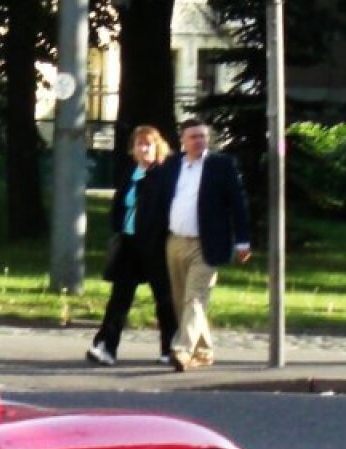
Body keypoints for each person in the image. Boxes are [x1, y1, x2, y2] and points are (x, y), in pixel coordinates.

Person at [160, 117, 252, 372]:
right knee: (182, 300)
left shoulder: (221, 165)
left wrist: (243, 241)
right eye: (193, 137)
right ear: (183, 141)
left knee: (195, 299)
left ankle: (182, 349)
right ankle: (203, 351)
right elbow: (162, 199)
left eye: (203, 136)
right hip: (176, 241)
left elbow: (237, 204)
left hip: (207, 244)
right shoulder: (172, 165)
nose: (199, 141)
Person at [86, 125, 177, 366]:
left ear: (157, 147)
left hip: (155, 245)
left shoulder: (163, 174)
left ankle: (170, 348)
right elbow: (119, 205)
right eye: (139, 144)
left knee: (164, 298)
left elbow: (167, 209)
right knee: (119, 297)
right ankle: (106, 346)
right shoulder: (131, 173)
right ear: (133, 149)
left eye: (148, 144)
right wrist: (117, 227)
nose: (144, 148)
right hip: (129, 242)